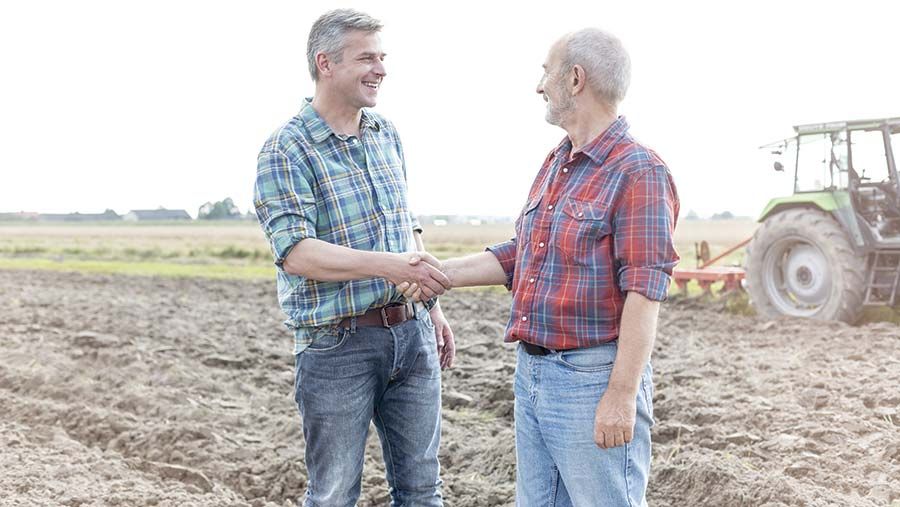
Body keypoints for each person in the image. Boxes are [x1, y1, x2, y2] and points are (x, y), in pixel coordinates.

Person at [402, 28, 678, 506]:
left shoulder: (639, 171)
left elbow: (644, 291)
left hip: (591, 381)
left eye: (545, 72)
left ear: (575, 79)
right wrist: (437, 273)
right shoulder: (558, 161)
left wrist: (620, 394)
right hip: (533, 375)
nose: (538, 85)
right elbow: (524, 253)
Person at [253, 9, 454, 506]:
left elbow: (405, 229)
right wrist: (387, 265)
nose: (381, 69)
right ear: (325, 63)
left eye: (382, 57)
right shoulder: (286, 149)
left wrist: (433, 309)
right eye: (367, 57)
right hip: (337, 345)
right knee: (334, 493)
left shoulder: (386, 134)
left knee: (422, 490)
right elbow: (297, 253)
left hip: (412, 336)